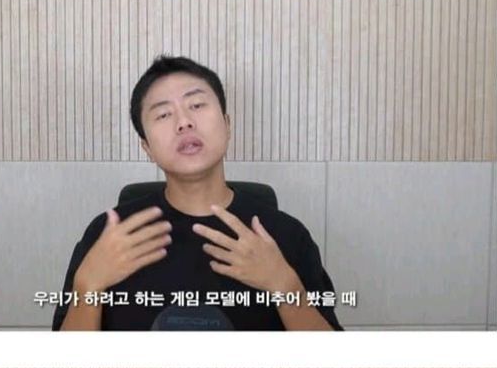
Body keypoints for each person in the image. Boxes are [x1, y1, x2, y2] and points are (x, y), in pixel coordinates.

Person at [53, 56, 342, 332]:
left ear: (227, 125)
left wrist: (285, 286)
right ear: (147, 147)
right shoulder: (108, 237)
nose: (184, 122)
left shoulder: (285, 236)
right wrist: (87, 286)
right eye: (163, 114)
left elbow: (334, 360)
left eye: (197, 105)